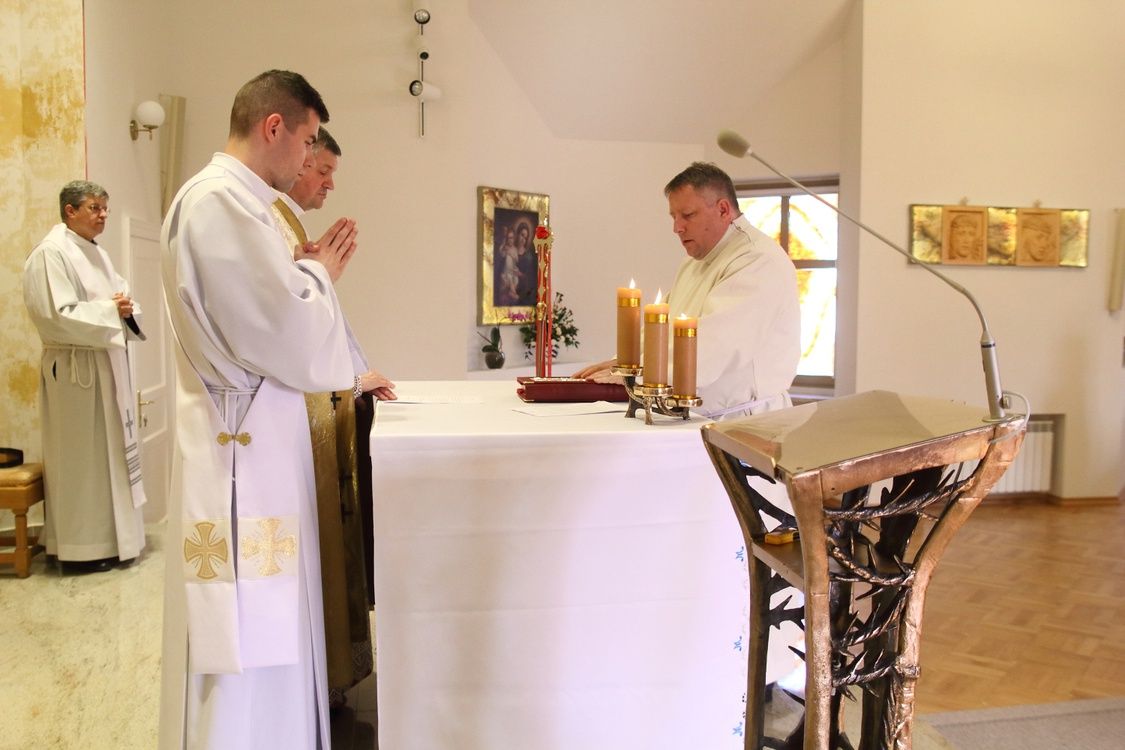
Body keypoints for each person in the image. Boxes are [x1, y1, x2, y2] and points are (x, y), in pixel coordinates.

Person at [158, 70, 358, 750]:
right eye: (306, 141)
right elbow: (285, 334)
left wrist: (302, 275)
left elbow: (266, 314)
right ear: (273, 127)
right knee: (244, 635)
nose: (308, 158)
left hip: (250, 436)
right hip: (240, 455)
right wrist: (319, 274)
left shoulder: (240, 204)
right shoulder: (220, 204)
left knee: (265, 623)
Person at [271, 125, 392, 709]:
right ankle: (319, 677)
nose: (327, 184)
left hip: (325, 402)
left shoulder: (288, 224)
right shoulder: (267, 220)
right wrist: (352, 378)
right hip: (293, 416)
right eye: (321, 170)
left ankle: (331, 673)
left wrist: (358, 373)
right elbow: (286, 331)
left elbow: (325, 319)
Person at [576, 161, 800, 419]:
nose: (677, 228)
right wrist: (626, 364)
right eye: (673, 217)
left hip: (743, 422)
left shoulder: (758, 260)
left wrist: (641, 374)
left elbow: (715, 345)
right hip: (694, 416)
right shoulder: (693, 263)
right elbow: (662, 329)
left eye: (688, 215)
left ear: (723, 209)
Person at [22, 180, 147, 574]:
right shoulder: (51, 254)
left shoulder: (98, 254)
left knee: (110, 458)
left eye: (105, 207)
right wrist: (111, 311)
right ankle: (80, 548)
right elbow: (56, 315)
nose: (103, 215)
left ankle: (115, 540)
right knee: (81, 462)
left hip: (106, 367)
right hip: (76, 373)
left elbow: (121, 298)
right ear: (70, 211)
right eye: (95, 207)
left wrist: (124, 308)